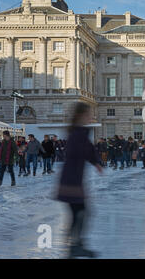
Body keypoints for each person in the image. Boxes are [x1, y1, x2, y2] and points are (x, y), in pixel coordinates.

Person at [56, 102, 103, 259]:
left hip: (73, 178)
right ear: (81, 116)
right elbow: (82, 150)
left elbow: (88, 149)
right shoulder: (78, 133)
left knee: (79, 212)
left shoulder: (79, 132)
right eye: (88, 115)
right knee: (81, 212)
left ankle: (75, 245)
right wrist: (94, 160)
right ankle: (75, 245)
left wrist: (96, 161)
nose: (91, 117)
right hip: (72, 179)